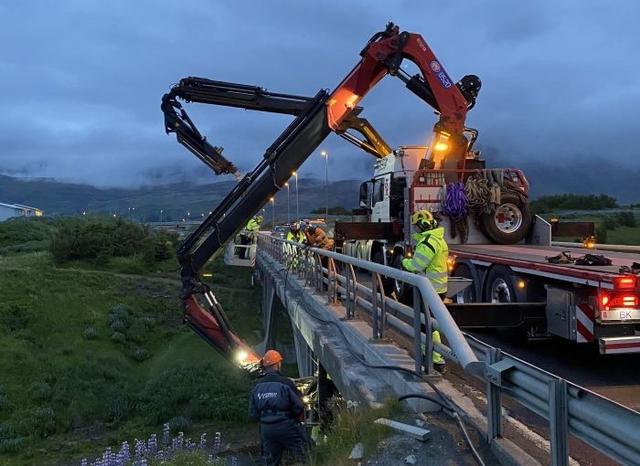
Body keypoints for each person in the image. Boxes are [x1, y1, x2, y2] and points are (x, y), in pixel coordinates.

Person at [402, 209, 448, 372]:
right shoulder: (438, 239)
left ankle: (435, 358)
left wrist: (405, 262)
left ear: (422, 225)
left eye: (415, 226)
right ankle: (431, 355)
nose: (414, 229)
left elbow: (417, 265)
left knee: (427, 325)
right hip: (437, 288)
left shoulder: (428, 242)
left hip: (430, 289)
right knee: (429, 324)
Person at [249, 350, 308, 466]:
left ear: (265, 366)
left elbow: (253, 413)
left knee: (271, 461)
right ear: (278, 364)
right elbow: (299, 405)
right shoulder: (286, 383)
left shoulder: (256, 386)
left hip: (266, 429)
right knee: (304, 453)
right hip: (286, 425)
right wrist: (294, 419)